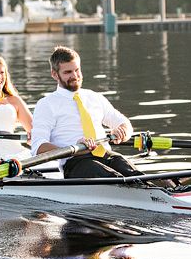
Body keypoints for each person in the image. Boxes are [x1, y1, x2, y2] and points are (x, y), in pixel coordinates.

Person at [30, 45, 144, 179]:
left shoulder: (94, 97)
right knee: (119, 180)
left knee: (136, 176)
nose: (75, 76)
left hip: (106, 154)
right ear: (55, 74)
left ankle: (168, 192)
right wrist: (74, 149)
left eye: (77, 70)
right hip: (76, 162)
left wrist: (123, 131)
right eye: (68, 72)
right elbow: (38, 146)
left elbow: (124, 123)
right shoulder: (46, 104)